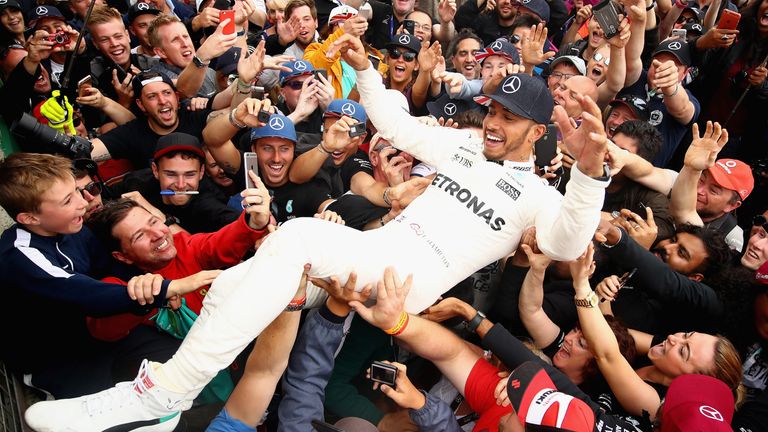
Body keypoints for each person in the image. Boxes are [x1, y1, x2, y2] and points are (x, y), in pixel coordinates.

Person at [24, 33, 612, 431]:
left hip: (407, 282)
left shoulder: (540, 193)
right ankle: (165, 398)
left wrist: (589, 174)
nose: (493, 123)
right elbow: (394, 122)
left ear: (538, 133)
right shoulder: (463, 144)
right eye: (491, 110)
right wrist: (363, 69)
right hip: (377, 250)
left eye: (509, 119)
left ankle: (162, 393)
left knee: (294, 240)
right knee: (246, 278)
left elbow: (562, 246)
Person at [0, 153, 208, 399]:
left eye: (77, 191)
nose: (82, 203)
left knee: (181, 359)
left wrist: (150, 284)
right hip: (57, 357)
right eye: (68, 200)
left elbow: (110, 267)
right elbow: (82, 293)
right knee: (112, 412)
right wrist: (167, 288)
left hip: (97, 334)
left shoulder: (72, 228)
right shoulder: (19, 255)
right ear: (30, 218)